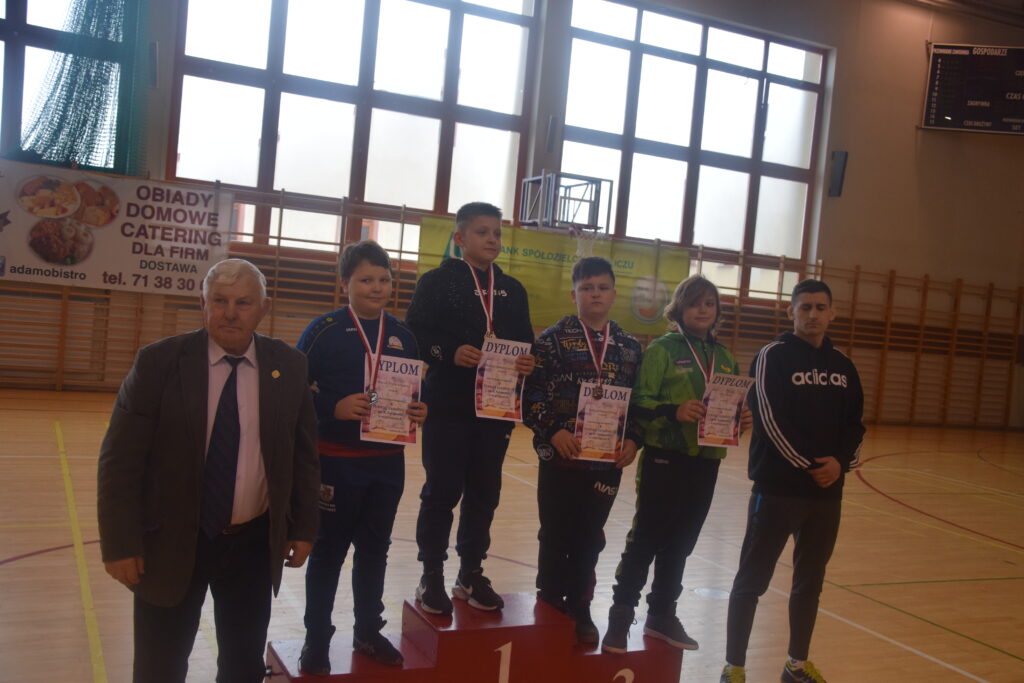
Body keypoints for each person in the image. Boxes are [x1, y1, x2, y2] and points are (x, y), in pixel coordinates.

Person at [97, 258, 320, 683]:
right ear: (202, 304)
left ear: (264, 308)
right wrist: (120, 543)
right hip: (170, 542)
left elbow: (304, 456)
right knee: (159, 667)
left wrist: (304, 526)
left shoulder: (289, 366)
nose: (230, 313)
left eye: (243, 302)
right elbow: (120, 461)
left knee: (242, 666)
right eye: (219, 300)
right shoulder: (159, 363)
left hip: (252, 544)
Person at [720, 279, 865, 683]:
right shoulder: (773, 356)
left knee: (809, 583)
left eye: (820, 307)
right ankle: (734, 668)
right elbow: (768, 418)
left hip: (827, 495)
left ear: (832, 313)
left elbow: (855, 424)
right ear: (791, 312)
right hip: (778, 491)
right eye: (805, 307)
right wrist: (808, 465)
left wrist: (840, 464)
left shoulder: (844, 365)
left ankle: (795, 666)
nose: (813, 314)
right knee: (751, 581)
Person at [296, 241, 427, 673]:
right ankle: (317, 639)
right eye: (366, 279)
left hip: (387, 464)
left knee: (375, 549)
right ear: (345, 284)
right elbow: (293, 389)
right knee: (328, 551)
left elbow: (416, 392)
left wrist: (420, 409)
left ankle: (368, 630)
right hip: (336, 461)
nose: (376, 287)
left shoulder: (404, 336)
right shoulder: (324, 331)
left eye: (384, 279)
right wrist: (330, 407)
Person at [602, 275, 751, 654]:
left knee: (682, 543)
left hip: (706, 462)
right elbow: (639, 402)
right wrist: (675, 411)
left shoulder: (725, 357)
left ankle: (662, 614)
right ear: (679, 309)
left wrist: (740, 420)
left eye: (710, 304)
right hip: (665, 458)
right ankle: (620, 615)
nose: (703, 310)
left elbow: (728, 407)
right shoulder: (662, 350)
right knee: (646, 539)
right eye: (695, 303)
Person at [405, 201, 535, 615]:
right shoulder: (436, 282)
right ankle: (431, 574)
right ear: (460, 238)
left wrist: (527, 361)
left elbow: (525, 343)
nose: (492, 239)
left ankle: (470, 572)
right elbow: (414, 336)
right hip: (448, 403)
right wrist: (449, 352)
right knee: (441, 491)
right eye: (482, 232)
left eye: (497, 233)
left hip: (495, 409)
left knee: (484, 494)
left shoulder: (513, 289)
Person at [522, 256, 642, 645]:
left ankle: (580, 604)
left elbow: (638, 403)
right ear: (574, 294)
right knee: (555, 534)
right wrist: (553, 430)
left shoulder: (629, 347)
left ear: (614, 294)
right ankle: (549, 601)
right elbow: (530, 395)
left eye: (602, 288)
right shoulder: (551, 340)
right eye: (587, 288)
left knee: (590, 537)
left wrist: (633, 439)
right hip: (561, 459)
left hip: (605, 465)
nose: (595, 294)